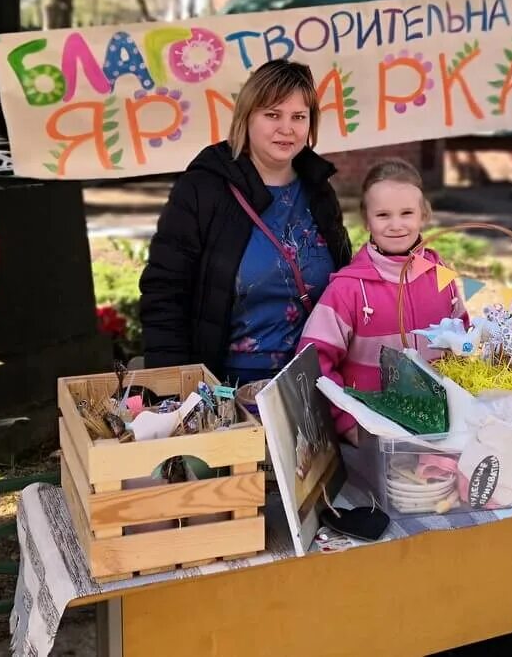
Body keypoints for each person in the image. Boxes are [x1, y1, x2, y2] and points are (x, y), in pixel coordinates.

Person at [139, 59, 351, 384]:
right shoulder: (203, 189)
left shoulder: (318, 189)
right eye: (272, 114)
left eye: (298, 117)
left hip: (315, 383)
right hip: (227, 390)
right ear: (246, 117)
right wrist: (176, 389)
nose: (286, 128)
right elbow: (164, 292)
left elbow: (343, 287)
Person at [297, 158, 468, 445]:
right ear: (366, 219)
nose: (396, 225)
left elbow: (462, 339)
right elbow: (314, 362)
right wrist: (348, 421)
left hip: (443, 429)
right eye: (383, 215)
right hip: (375, 434)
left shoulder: (441, 277)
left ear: (423, 214)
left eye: (406, 213)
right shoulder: (348, 288)